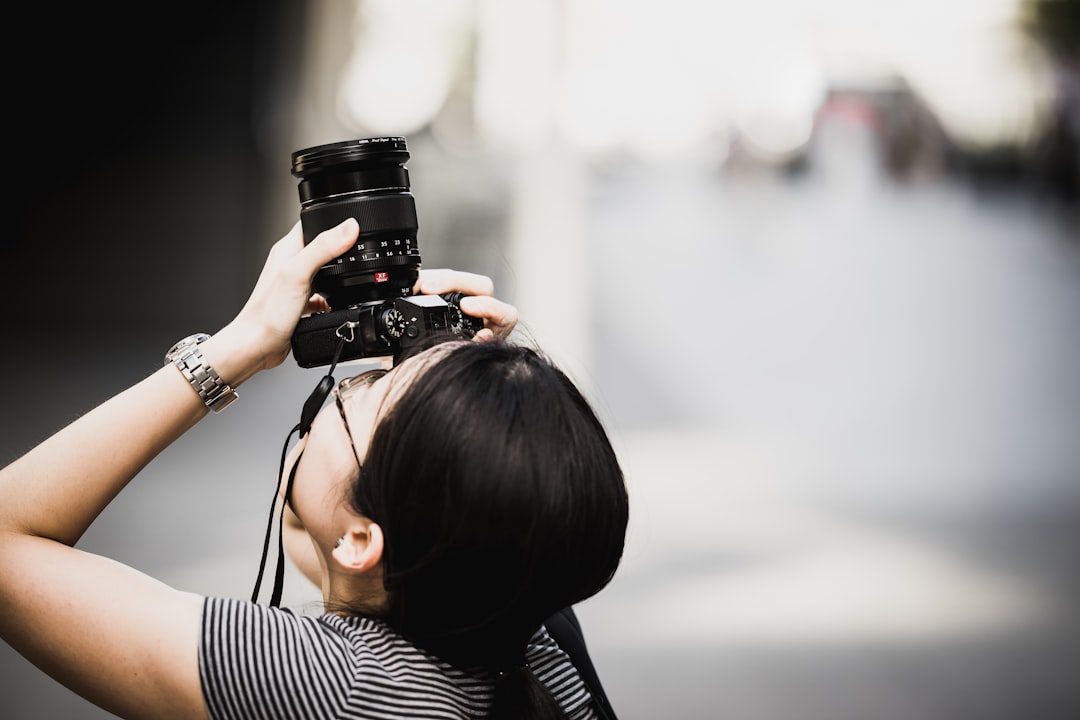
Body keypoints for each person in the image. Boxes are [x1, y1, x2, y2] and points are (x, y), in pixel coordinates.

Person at [0, 217, 629, 719]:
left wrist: (237, 347)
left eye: (360, 394)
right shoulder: (529, 633)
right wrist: (473, 404)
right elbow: (315, 534)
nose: (347, 385)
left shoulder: (329, 687)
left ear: (362, 540)